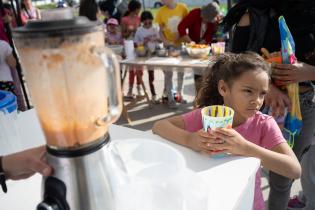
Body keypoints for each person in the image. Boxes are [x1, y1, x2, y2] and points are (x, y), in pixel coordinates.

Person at [152, 52, 301, 210]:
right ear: (223, 88)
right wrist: (190, 139)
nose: (257, 101)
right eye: (248, 91)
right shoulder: (206, 115)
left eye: (262, 93)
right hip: (212, 199)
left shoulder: (264, 124)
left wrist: (244, 147)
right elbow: (159, 126)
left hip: (248, 201)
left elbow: (294, 169)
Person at [178, 1, 220, 93]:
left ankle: (204, 95)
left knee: (207, 72)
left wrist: (203, 42)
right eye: (204, 17)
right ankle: (199, 95)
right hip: (193, 49)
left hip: (204, 50)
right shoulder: (195, 13)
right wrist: (191, 42)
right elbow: (181, 27)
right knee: (197, 73)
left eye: (207, 19)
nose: (204, 20)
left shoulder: (213, 20)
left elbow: (209, 33)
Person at [155, 0, 189, 108]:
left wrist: (180, 36)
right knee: (168, 74)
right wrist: (165, 41)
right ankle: (171, 99)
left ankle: (179, 95)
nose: (161, 1)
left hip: (181, 45)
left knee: (181, 73)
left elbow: (186, 26)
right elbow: (160, 30)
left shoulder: (183, 8)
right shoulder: (160, 11)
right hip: (168, 47)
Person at [134, 11, 160, 103]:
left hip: (156, 53)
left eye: (150, 22)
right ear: (142, 22)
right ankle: (154, 95)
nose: (148, 24)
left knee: (167, 73)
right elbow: (135, 44)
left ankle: (166, 93)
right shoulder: (139, 30)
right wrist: (143, 43)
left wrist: (157, 39)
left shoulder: (155, 28)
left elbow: (161, 40)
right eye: (146, 23)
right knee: (151, 75)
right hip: (146, 55)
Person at [121, 0, 143, 99]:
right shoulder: (124, 19)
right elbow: (123, 35)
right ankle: (130, 89)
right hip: (129, 45)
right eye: (139, 9)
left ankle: (139, 87)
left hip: (138, 45)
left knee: (140, 68)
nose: (140, 11)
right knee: (131, 69)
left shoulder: (139, 18)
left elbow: (142, 31)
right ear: (135, 9)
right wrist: (129, 31)